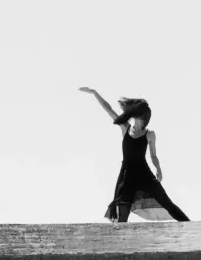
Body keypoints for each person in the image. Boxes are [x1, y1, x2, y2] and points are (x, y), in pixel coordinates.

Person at [78, 87, 191, 223]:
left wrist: (158, 169)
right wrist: (94, 93)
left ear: (142, 116)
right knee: (122, 209)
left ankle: (190, 225)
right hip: (127, 175)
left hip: (144, 173)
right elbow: (109, 109)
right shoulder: (125, 127)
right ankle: (120, 235)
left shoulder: (150, 134)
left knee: (167, 203)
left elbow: (153, 156)